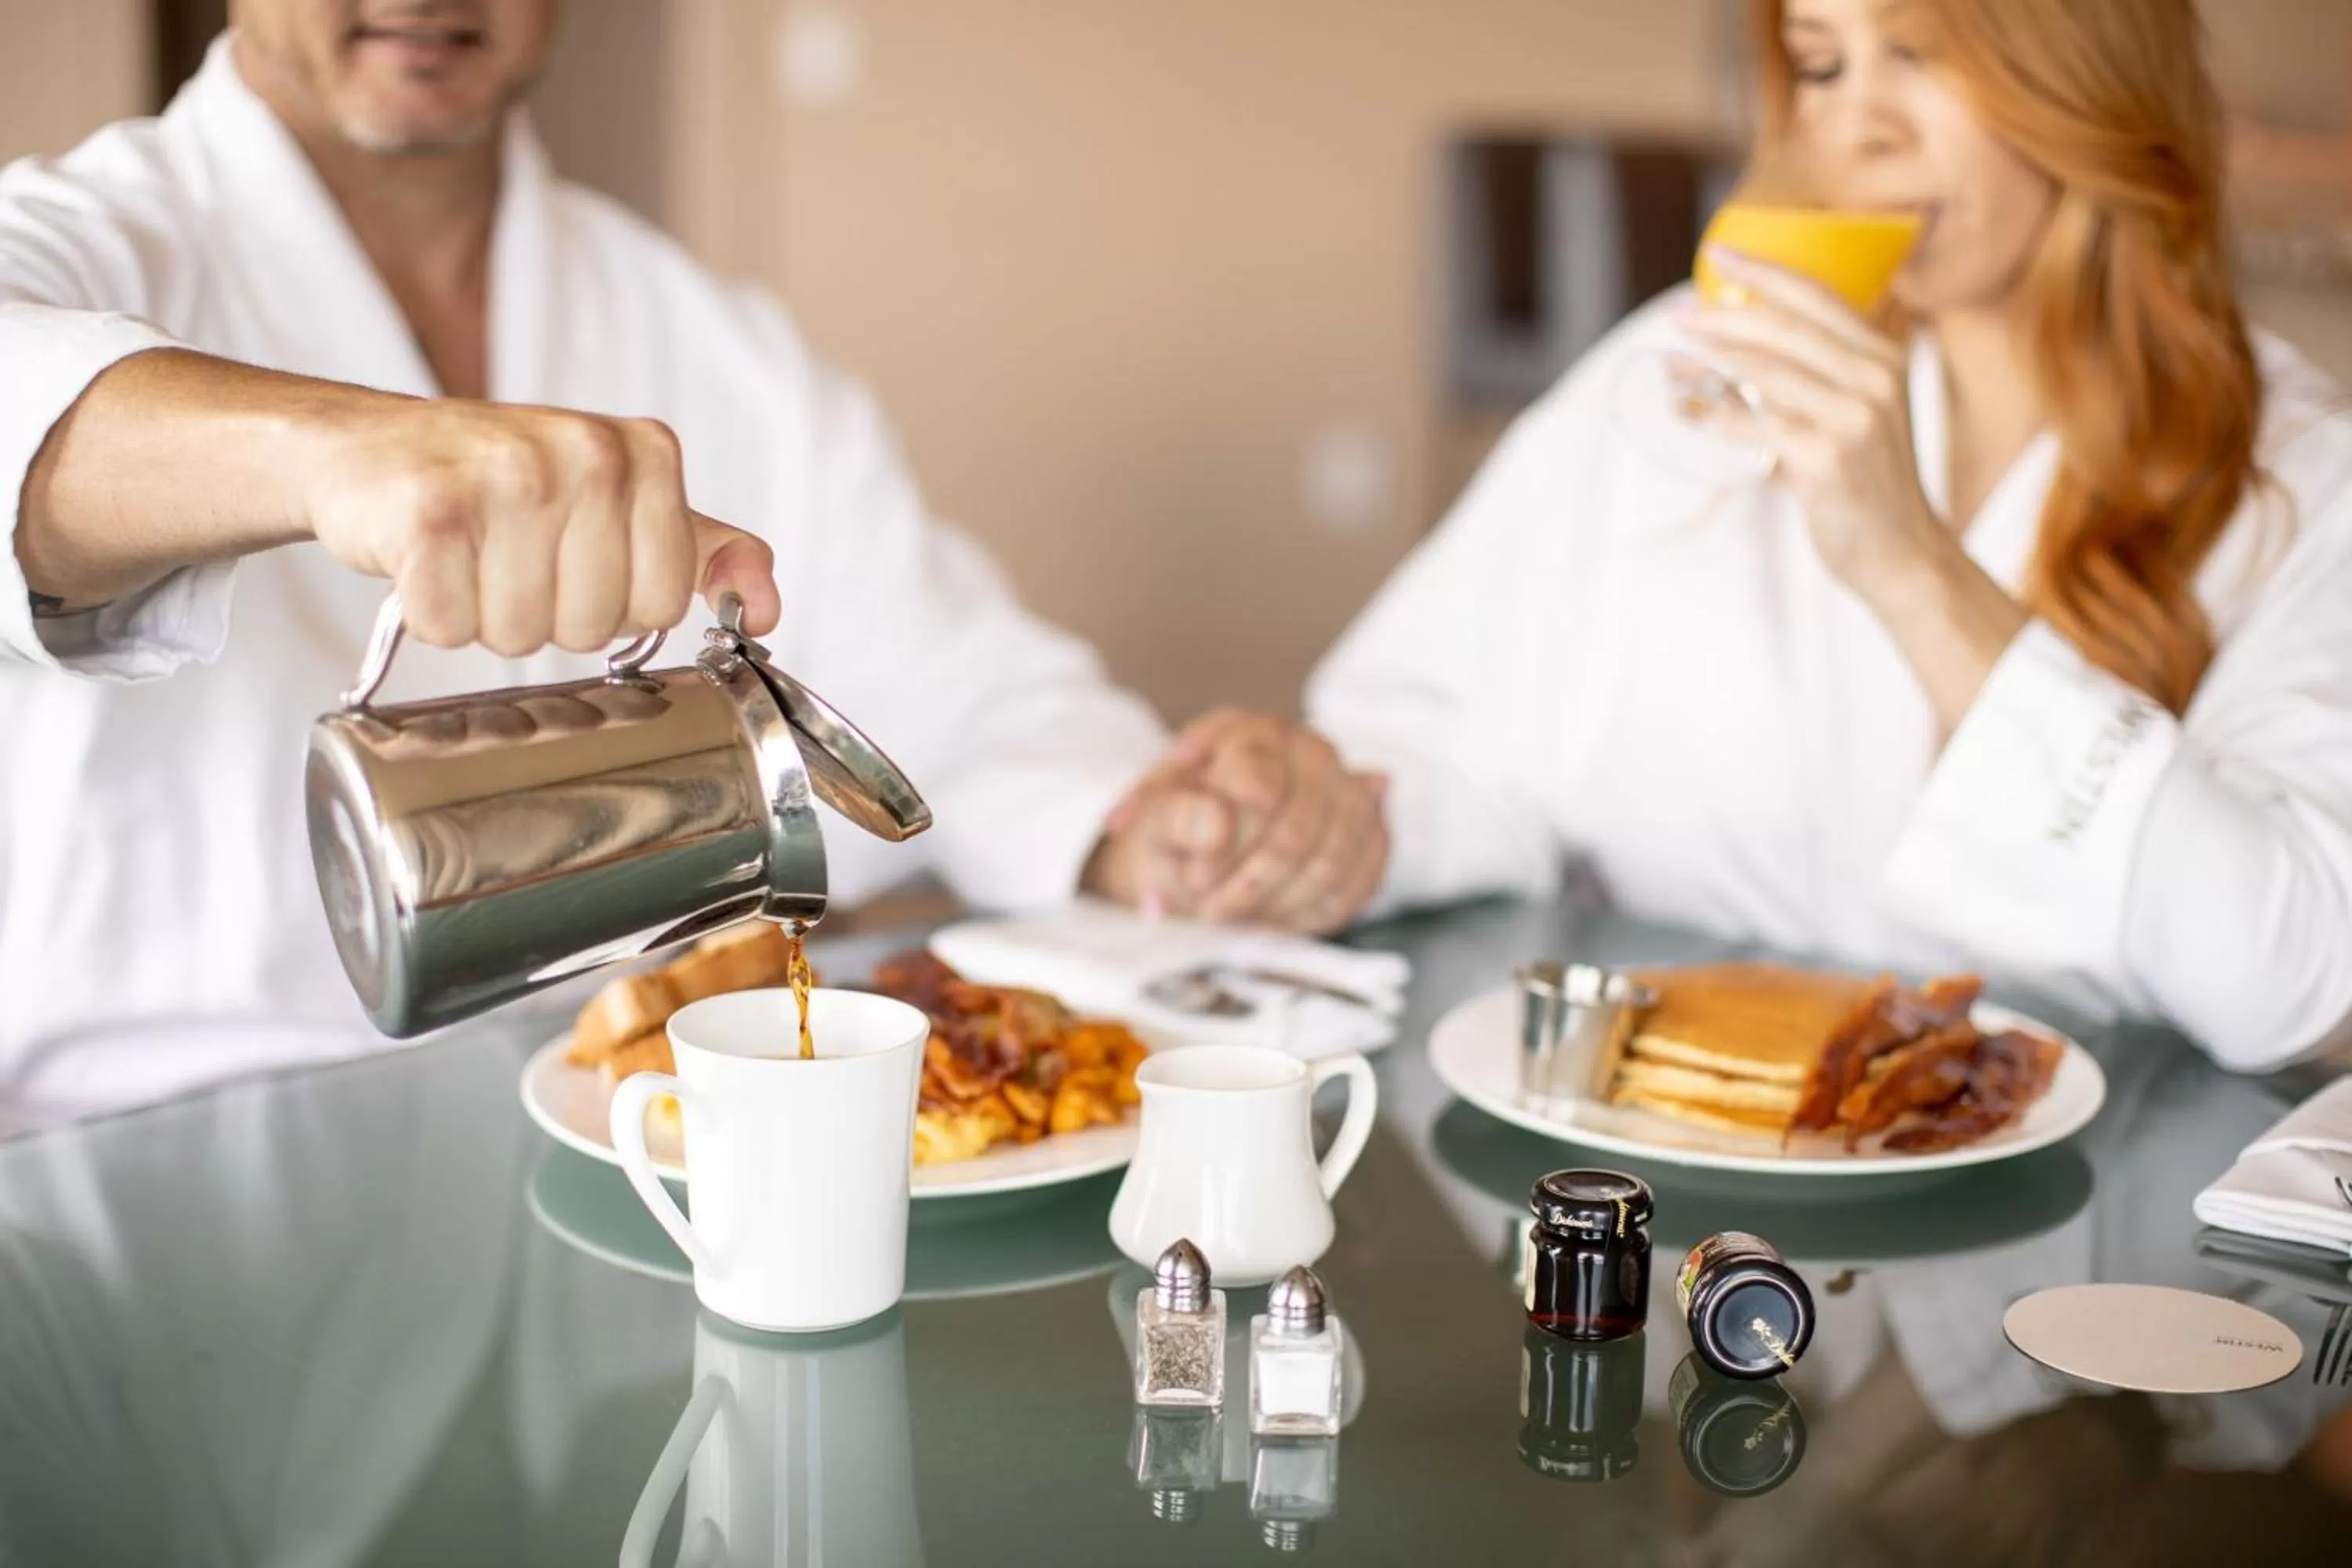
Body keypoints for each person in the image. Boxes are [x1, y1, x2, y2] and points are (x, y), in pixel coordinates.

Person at [0, 2, 1388, 1108]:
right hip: (144, 1173)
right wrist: (327, 450)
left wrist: (1153, 824)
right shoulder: (93, 240)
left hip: (602, 1142)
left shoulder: (705, 335)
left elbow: (958, 696)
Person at [1308, 0, 2352, 1073]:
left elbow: (2296, 992)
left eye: (1922, 57)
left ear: (2093, 73)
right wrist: (1310, 820)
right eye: (1822, 65)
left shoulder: (2308, 480)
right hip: (1669, 1190)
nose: (1861, 128)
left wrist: (1915, 571)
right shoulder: (1684, 374)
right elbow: (1437, 745)